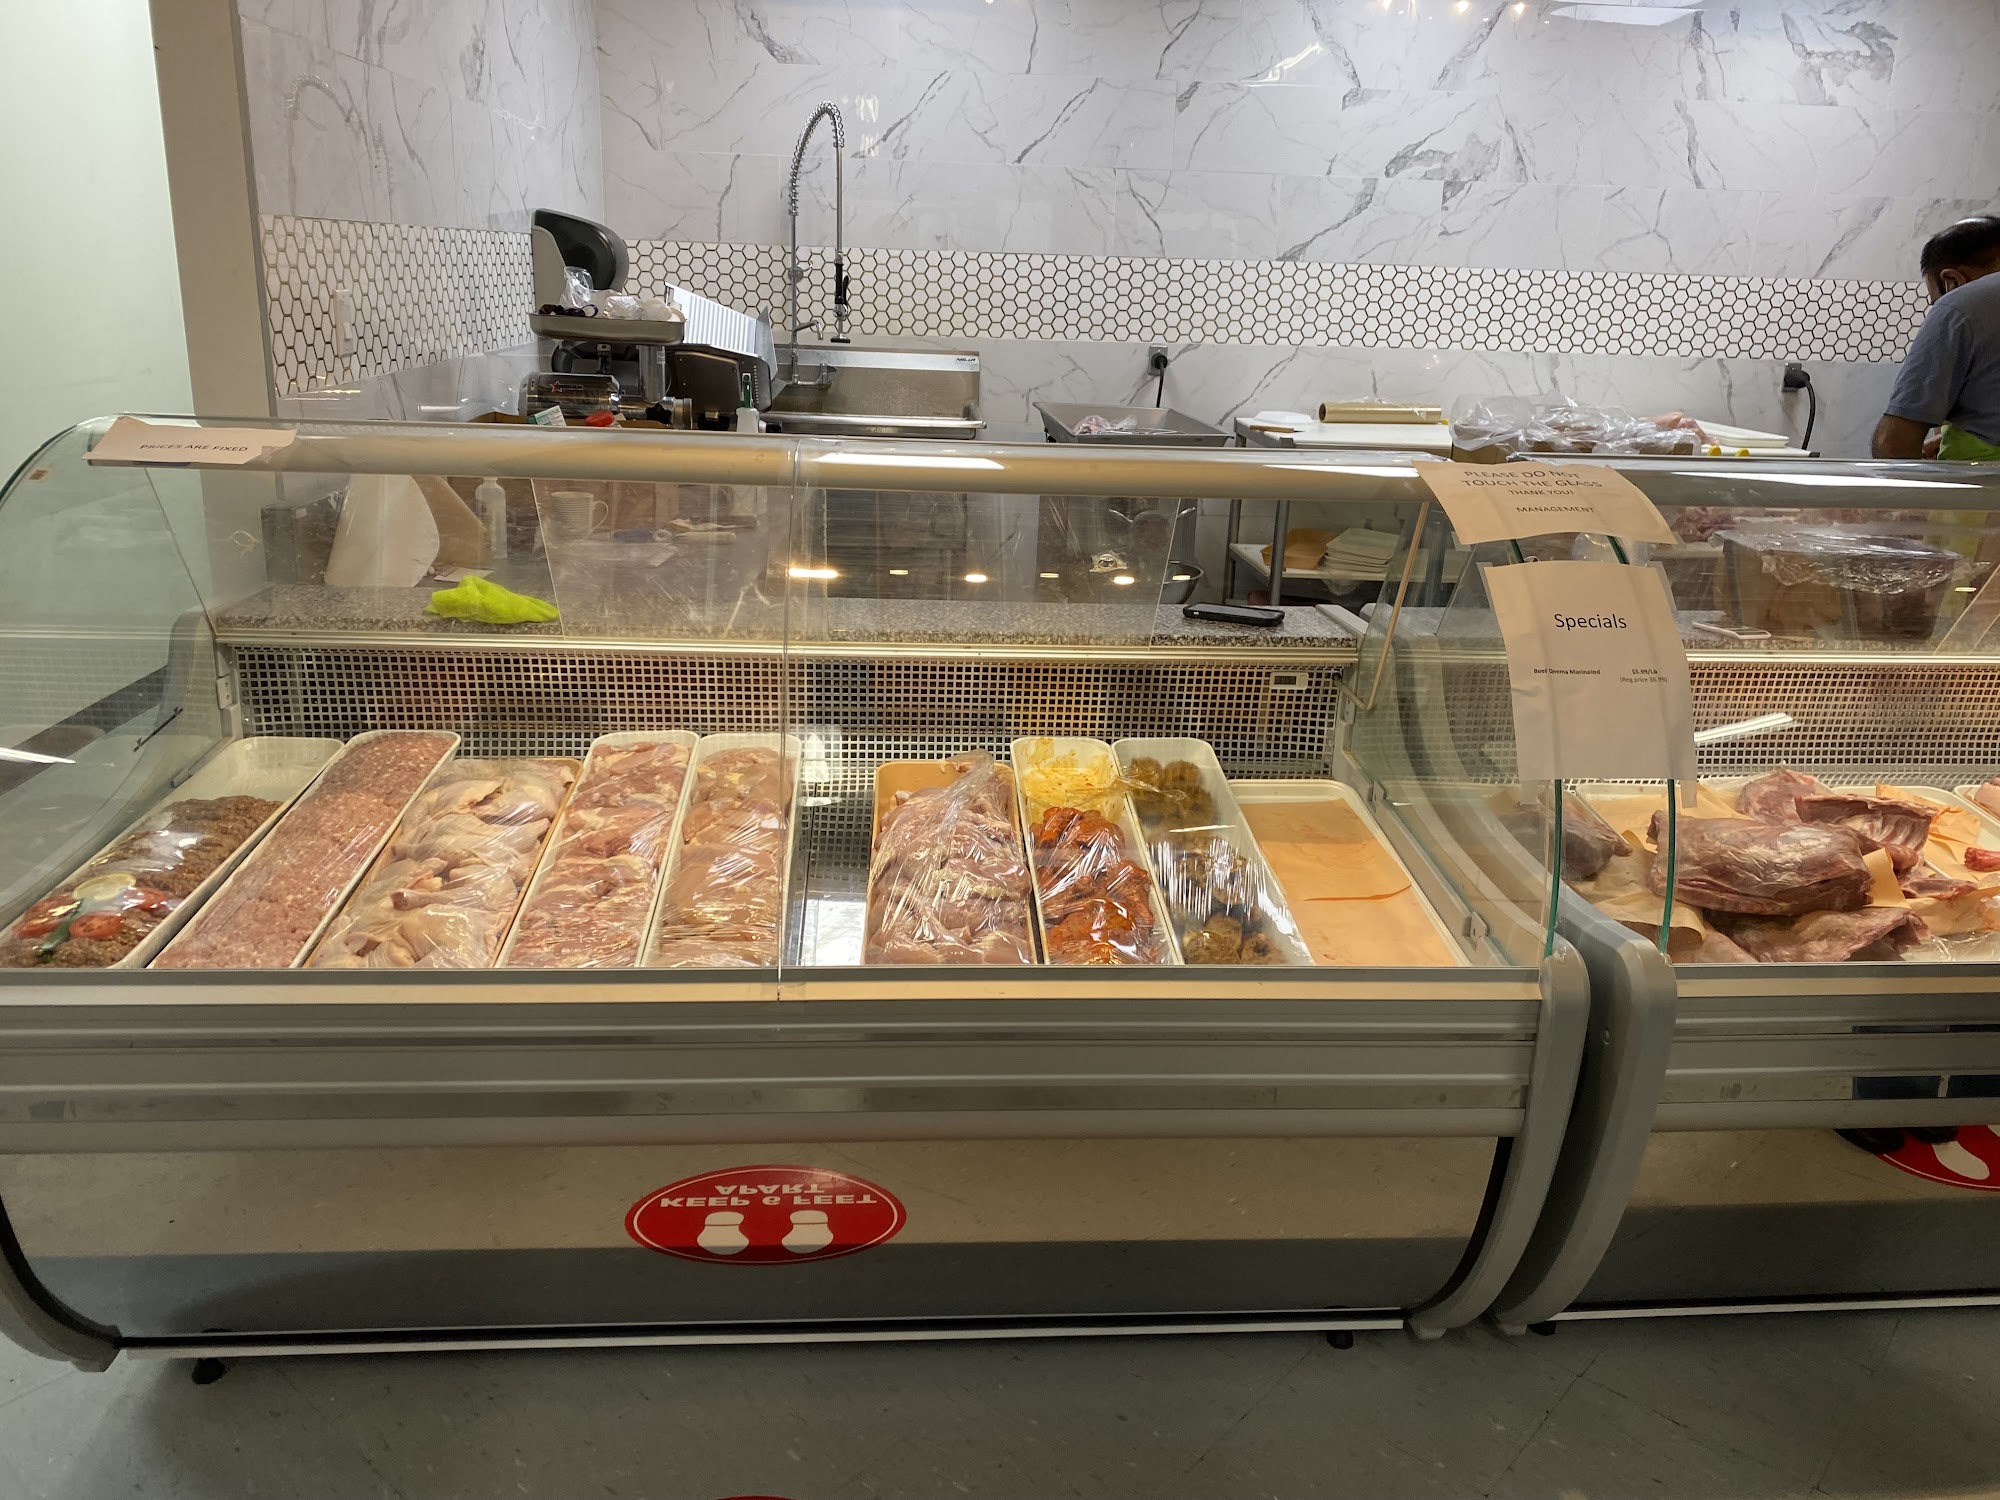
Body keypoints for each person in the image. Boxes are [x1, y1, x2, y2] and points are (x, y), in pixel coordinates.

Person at [1874, 215, 2000, 461]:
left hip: (1979, 483)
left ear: (1952, 281)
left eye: (1935, 301)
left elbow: (1893, 445)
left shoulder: (1959, 305)